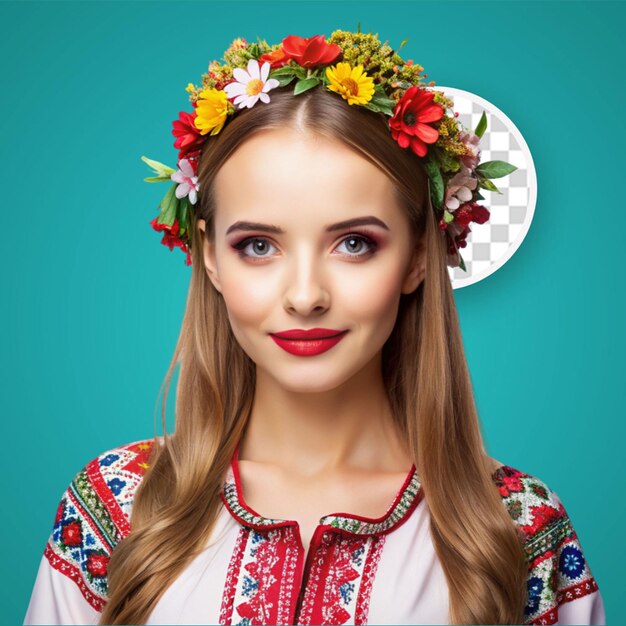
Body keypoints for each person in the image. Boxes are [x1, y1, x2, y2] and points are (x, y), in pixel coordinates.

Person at [24, 31, 606, 625]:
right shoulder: (121, 508)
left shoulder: (516, 527)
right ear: (212, 259)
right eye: (257, 245)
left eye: (354, 244)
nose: (305, 296)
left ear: (417, 258)